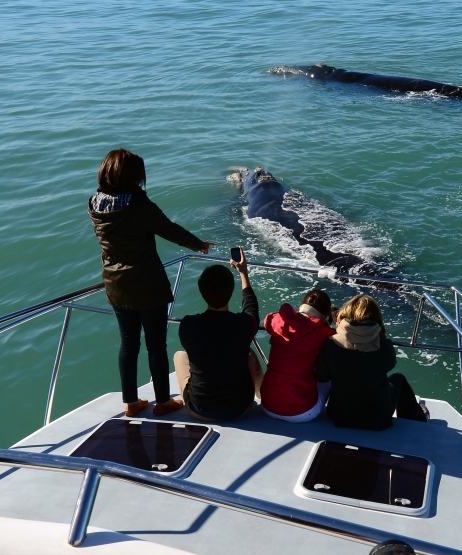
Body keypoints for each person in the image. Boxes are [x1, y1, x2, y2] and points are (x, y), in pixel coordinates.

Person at [88, 148, 215, 417]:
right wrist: (199, 244)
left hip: (115, 284)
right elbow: (169, 229)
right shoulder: (139, 206)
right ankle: (162, 402)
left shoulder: (95, 204)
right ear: (133, 177)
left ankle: (131, 402)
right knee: (156, 345)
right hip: (147, 284)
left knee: (128, 344)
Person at [174, 249, 264, 421]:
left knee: (180, 356)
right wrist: (243, 273)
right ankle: (263, 394)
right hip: (240, 408)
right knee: (249, 354)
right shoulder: (243, 324)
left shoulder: (188, 325)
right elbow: (251, 308)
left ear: (202, 292)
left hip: (198, 408)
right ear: (230, 293)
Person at [315, 294, 428, 430]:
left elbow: (322, 376)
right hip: (379, 418)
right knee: (398, 379)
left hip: (339, 416)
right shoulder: (384, 346)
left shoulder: (331, 344)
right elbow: (390, 365)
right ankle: (417, 420)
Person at [260, 289, 338, 423]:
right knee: (328, 378)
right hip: (301, 413)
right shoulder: (322, 331)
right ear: (325, 313)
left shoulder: (280, 320)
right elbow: (343, 335)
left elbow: (268, 319)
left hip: (267, 405)